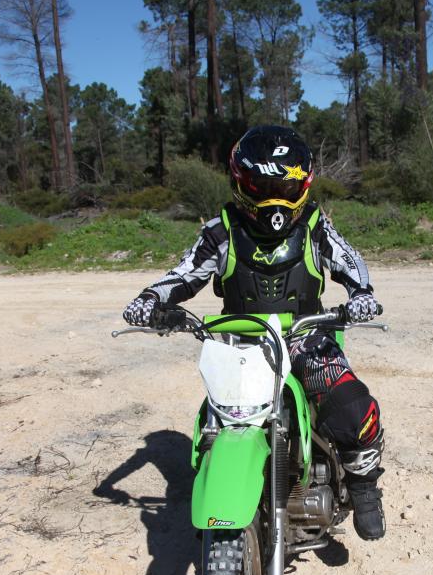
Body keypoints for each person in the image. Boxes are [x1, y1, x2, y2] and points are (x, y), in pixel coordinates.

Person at [121, 125, 387, 540]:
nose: (274, 200)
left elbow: (352, 263)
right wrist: (151, 299)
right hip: (239, 342)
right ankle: (222, 488)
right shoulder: (221, 230)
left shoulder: (315, 226)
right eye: (262, 186)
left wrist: (362, 294)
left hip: (306, 338)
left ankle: (365, 487)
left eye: (285, 187)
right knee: (214, 423)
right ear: (240, 182)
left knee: (354, 411)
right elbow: (184, 273)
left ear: (305, 184)